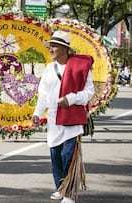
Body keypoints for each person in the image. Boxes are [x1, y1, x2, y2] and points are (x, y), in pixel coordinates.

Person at [32, 31, 95, 203]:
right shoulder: (49, 69)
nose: (50, 49)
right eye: (50, 46)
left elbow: (89, 92)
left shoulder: (80, 67)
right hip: (53, 119)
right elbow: (43, 95)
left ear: (65, 49)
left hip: (71, 119)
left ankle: (69, 194)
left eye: (54, 46)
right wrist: (37, 113)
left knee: (69, 154)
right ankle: (60, 188)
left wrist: (71, 99)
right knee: (56, 155)